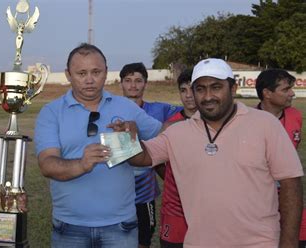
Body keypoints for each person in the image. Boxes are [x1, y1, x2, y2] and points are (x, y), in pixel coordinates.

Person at [110, 58, 304, 247]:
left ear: (233, 88)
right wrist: (123, 138)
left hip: (260, 242)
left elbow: (291, 183)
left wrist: (288, 242)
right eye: (200, 89)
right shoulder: (178, 132)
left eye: (216, 87)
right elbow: (141, 158)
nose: (208, 96)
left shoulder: (265, 124)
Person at [34, 43, 162, 247]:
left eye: (96, 72)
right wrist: (81, 164)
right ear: (68, 75)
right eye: (81, 73)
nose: (90, 80)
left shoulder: (126, 107)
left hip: (121, 226)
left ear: (106, 72)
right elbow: (46, 164)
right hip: (69, 227)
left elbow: (163, 135)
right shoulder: (51, 112)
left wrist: (135, 137)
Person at [119, 62, 182, 248]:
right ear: (121, 83)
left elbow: (188, 114)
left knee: (144, 239)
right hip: (116, 191)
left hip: (144, 193)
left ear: (145, 84)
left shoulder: (159, 110)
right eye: (128, 80)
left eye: (138, 80)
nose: (133, 85)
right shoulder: (111, 109)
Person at [255, 69, 306, 247]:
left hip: (289, 196)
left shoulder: (296, 116)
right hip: (258, 202)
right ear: (267, 94)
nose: (292, 93)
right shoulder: (247, 121)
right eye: (285, 89)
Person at [159, 69, 196, 248]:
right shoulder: (170, 125)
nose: (188, 96)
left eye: (193, 89)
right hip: (175, 209)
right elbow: (156, 161)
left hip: (208, 209)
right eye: (183, 90)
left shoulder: (217, 123)